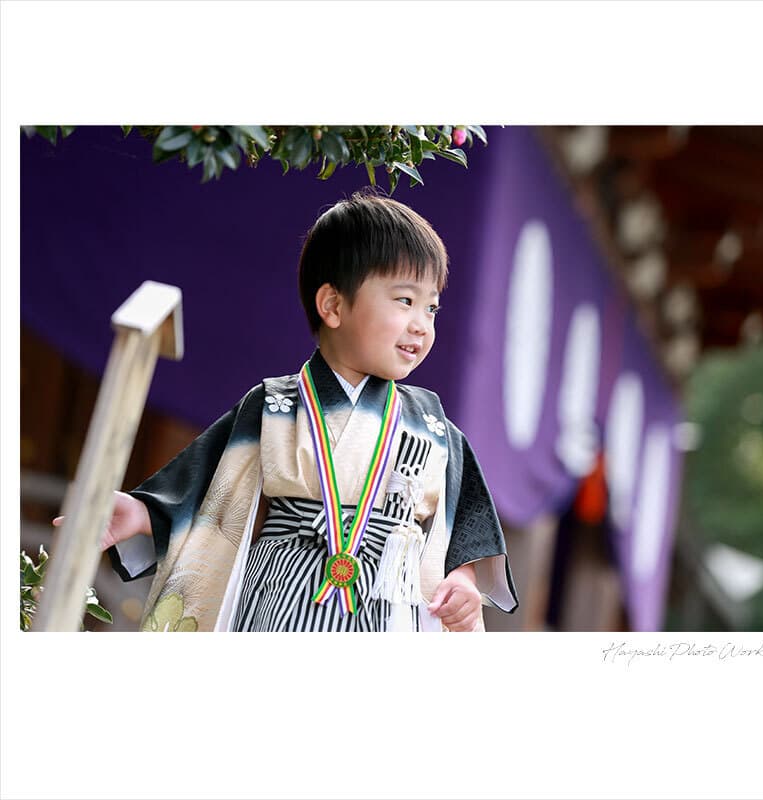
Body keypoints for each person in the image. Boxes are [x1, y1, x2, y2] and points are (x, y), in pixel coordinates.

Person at [55, 190, 518, 632]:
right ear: (333, 305)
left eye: (432, 307)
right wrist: (141, 511)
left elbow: (465, 526)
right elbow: (205, 482)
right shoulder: (276, 403)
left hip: (388, 598)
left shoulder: (433, 426)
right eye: (405, 301)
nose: (422, 323)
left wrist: (462, 579)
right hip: (281, 590)